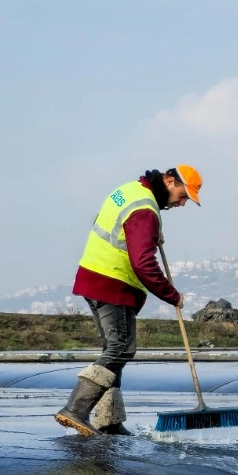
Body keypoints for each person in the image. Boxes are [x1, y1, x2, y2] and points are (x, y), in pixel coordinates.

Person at [55, 166, 201, 435]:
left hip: (95, 277)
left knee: (115, 349)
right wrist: (172, 295)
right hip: (113, 283)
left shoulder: (130, 191)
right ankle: (75, 410)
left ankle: (109, 420)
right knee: (120, 349)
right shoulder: (146, 210)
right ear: (169, 181)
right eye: (183, 195)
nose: (182, 203)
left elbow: (109, 222)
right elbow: (144, 264)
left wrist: (146, 236)